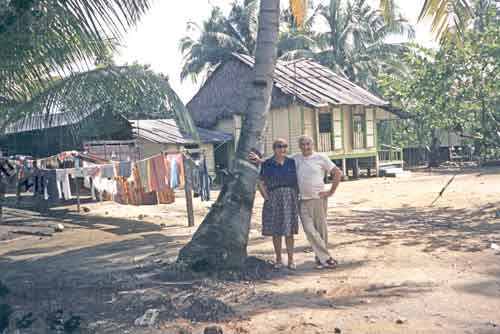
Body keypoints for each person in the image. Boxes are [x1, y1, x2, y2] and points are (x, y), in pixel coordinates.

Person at [251, 135, 342, 269]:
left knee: (320, 231)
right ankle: (326, 258)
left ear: (313, 145)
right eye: (303, 144)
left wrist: (330, 192)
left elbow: (337, 173)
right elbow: (275, 160)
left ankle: (321, 259)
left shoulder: (320, 157)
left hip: (317, 198)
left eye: (308, 144)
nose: (305, 147)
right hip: (300, 200)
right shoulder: (295, 158)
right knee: (309, 230)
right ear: (299, 146)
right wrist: (259, 161)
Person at [258, 138, 299, 270]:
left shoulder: (291, 162)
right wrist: (265, 195)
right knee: (276, 230)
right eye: (279, 146)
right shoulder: (267, 163)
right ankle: (279, 259)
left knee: (289, 231)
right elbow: (259, 180)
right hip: (274, 197)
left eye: (284, 146)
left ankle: (291, 260)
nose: (282, 149)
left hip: (289, 197)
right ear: (274, 148)